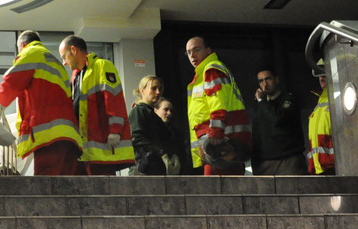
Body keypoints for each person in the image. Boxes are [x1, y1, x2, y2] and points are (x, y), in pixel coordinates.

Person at [0, 30, 83, 175]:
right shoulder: (56, 63)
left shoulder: (31, 53)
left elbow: (11, 82)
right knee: (67, 189)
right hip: (69, 137)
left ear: (22, 45)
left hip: (49, 137)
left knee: (46, 186)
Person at [58, 34, 134, 175]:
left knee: (103, 187)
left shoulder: (102, 66)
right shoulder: (76, 75)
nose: (64, 63)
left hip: (101, 144)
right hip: (83, 148)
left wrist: (115, 130)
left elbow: (113, 99)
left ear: (73, 50)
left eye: (64, 57)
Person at [185, 36, 251, 175]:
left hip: (220, 142)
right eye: (188, 52)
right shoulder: (203, 74)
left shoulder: (211, 70)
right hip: (220, 142)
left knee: (216, 191)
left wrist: (216, 131)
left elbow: (218, 102)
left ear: (208, 50)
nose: (192, 55)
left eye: (196, 49)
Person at [251, 69, 307, 175]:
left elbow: (277, 119)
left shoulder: (288, 99)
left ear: (276, 80)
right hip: (264, 164)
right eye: (261, 81)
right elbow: (256, 135)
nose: (265, 84)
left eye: (268, 79)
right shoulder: (260, 105)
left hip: (288, 161)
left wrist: (262, 101)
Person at [128, 75, 179, 175]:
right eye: (153, 88)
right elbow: (137, 138)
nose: (158, 92)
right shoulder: (139, 111)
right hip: (143, 169)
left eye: (160, 89)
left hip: (154, 168)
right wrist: (161, 153)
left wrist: (171, 155)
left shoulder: (152, 115)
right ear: (142, 91)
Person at [307, 59, 335, 175]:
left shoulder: (340, 96)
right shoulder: (321, 100)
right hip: (321, 169)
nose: (321, 76)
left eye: (325, 71)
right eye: (319, 73)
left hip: (338, 165)